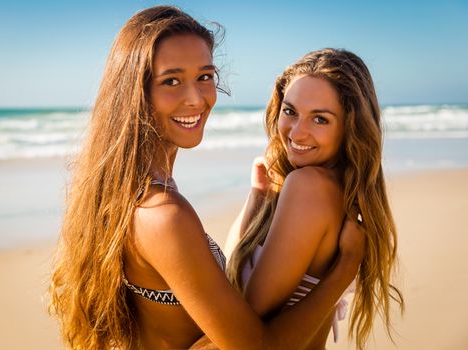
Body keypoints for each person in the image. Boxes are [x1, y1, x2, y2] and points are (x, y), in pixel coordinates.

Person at [49, 7, 364, 350]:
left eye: (204, 76)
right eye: (171, 80)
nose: (196, 98)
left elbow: (218, 289)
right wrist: (343, 270)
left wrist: (257, 197)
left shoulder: (132, 190)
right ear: (136, 92)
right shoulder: (163, 212)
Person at [226, 49, 405, 350]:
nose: (297, 132)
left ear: (351, 126)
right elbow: (234, 271)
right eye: (290, 111)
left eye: (320, 119)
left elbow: (240, 320)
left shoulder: (309, 187)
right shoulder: (342, 193)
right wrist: (259, 194)